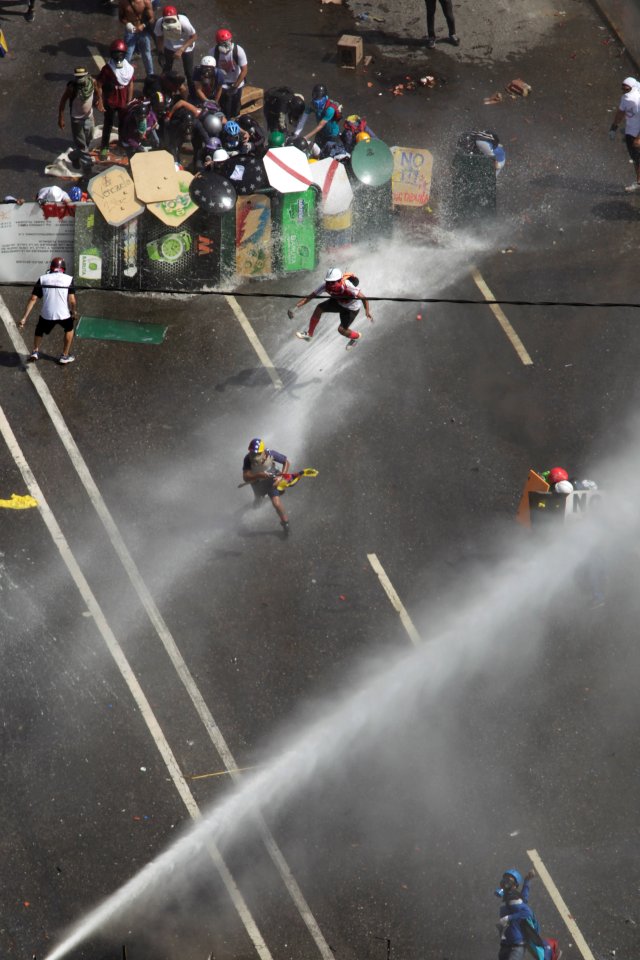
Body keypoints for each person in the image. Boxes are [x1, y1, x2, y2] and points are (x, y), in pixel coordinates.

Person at [291, 266, 373, 350]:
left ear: (340, 280)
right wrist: (295, 307)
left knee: (341, 330)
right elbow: (310, 297)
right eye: (328, 282)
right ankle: (309, 334)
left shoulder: (347, 286)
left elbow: (363, 298)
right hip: (338, 302)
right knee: (319, 308)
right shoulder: (325, 286)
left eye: (332, 282)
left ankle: (356, 337)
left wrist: (367, 311)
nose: (330, 285)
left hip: (351, 308)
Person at [18, 257, 78, 365]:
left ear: (51, 267)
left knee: (39, 330)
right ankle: (64, 355)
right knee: (69, 328)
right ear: (63, 268)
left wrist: (24, 318)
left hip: (47, 314)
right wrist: (73, 312)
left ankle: (35, 352)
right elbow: (72, 300)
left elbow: (33, 299)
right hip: (63, 314)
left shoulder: (42, 279)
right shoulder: (69, 279)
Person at [96, 40, 135, 160]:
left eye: (121, 53)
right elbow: (98, 84)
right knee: (108, 125)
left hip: (123, 103)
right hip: (111, 103)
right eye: (116, 53)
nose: (118, 56)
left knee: (124, 126)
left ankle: (122, 145)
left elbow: (131, 84)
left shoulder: (128, 69)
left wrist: (129, 101)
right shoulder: (107, 69)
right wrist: (100, 101)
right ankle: (104, 147)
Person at [242, 438, 291, 533]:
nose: (254, 456)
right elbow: (245, 477)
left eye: (257, 454)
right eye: (252, 453)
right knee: (258, 500)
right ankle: (258, 500)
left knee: (276, 503)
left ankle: (285, 521)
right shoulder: (247, 459)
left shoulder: (270, 454)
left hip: (271, 482)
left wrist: (281, 476)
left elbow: (286, 462)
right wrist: (258, 475)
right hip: (257, 484)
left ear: (263, 452)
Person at [57, 66, 97, 174]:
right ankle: (87, 168)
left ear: (87, 75)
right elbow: (62, 102)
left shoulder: (92, 83)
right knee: (82, 146)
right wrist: (61, 118)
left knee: (89, 140)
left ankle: (73, 155)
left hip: (89, 117)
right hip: (77, 120)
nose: (80, 79)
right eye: (78, 77)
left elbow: (99, 92)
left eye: (82, 77)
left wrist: (100, 102)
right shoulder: (72, 88)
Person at [154, 5, 198, 98]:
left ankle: (193, 95)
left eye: (172, 20)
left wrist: (181, 49)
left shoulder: (184, 22)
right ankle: (165, 92)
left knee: (189, 73)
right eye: (167, 20)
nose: (170, 22)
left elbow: (194, 37)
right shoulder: (159, 23)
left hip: (187, 48)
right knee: (166, 71)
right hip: (169, 47)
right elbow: (159, 37)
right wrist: (160, 52)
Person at [608, 77, 640, 192]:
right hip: (630, 132)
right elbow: (621, 112)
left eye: (626, 89)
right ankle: (639, 182)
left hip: (637, 134)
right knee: (636, 159)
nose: (624, 91)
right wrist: (613, 127)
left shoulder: (638, 100)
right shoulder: (625, 99)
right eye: (623, 89)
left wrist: (638, 138)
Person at [208, 28, 248, 119]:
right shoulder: (213, 52)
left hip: (237, 82)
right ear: (218, 43)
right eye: (223, 42)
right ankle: (225, 120)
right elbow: (211, 71)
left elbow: (244, 70)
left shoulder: (238, 51)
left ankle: (236, 119)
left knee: (236, 105)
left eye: (228, 41)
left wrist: (235, 86)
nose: (226, 44)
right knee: (225, 106)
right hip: (223, 84)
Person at [295, 84, 343, 157]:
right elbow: (303, 119)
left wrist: (305, 138)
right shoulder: (312, 105)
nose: (317, 101)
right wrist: (296, 134)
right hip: (320, 134)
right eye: (315, 98)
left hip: (332, 135)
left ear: (325, 97)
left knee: (329, 155)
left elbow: (320, 126)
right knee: (315, 153)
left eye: (319, 98)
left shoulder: (330, 109)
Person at [119, 0, 155, 78]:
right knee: (128, 54)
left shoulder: (145, 2)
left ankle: (150, 76)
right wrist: (127, 24)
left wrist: (143, 25)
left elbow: (152, 18)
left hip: (143, 31)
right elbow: (121, 17)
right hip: (130, 31)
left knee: (146, 54)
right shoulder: (123, 2)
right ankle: (125, 75)